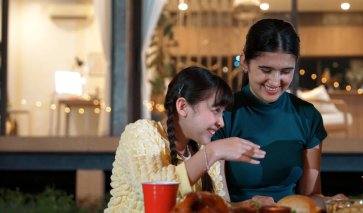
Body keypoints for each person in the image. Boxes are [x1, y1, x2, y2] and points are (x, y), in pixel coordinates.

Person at [212, 18, 346, 208]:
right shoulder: (223, 115)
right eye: (266, 70)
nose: (275, 82)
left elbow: (310, 196)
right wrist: (246, 206)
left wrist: (330, 202)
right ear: (244, 62)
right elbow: (212, 202)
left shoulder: (307, 116)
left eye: (286, 71)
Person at [104, 66, 266, 212]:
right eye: (216, 110)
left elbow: (217, 207)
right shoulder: (141, 133)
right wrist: (213, 151)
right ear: (182, 107)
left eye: (223, 113)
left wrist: (246, 206)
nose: (221, 122)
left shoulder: (206, 150)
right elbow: (156, 192)